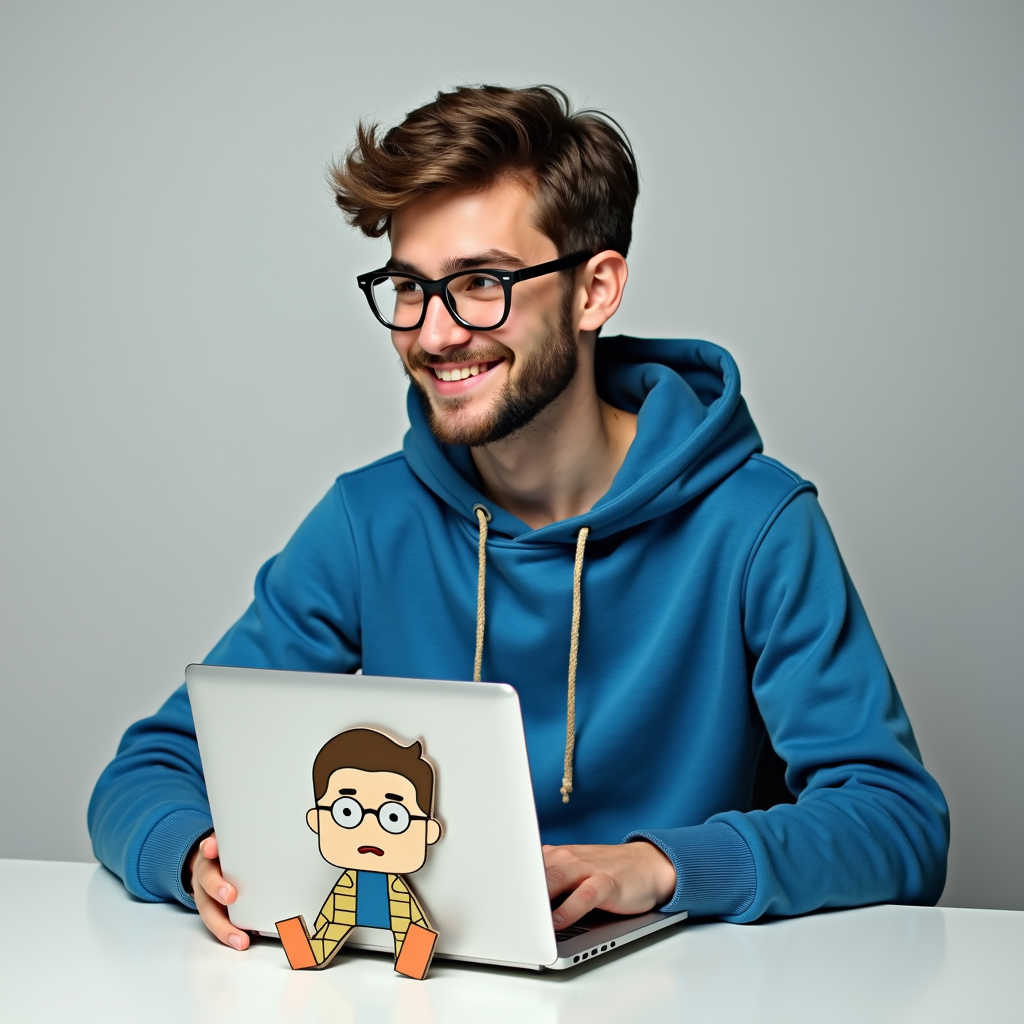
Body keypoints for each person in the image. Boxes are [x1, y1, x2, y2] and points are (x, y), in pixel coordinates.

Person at [89, 84, 949, 954]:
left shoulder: (757, 524)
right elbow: (147, 771)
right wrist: (194, 851)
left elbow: (898, 820)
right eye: (409, 288)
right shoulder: (367, 521)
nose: (434, 333)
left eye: (480, 283)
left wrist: (660, 867)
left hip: (682, 988)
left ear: (594, 290)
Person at [275, 728, 442, 979]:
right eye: (347, 812)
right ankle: (303, 952)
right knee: (323, 939)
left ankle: (411, 965)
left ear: (429, 831)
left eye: (393, 817)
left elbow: (417, 929)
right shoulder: (345, 888)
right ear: (316, 820)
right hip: (349, 901)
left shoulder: (396, 892)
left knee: (412, 936)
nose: (370, 829)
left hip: (387, 900)